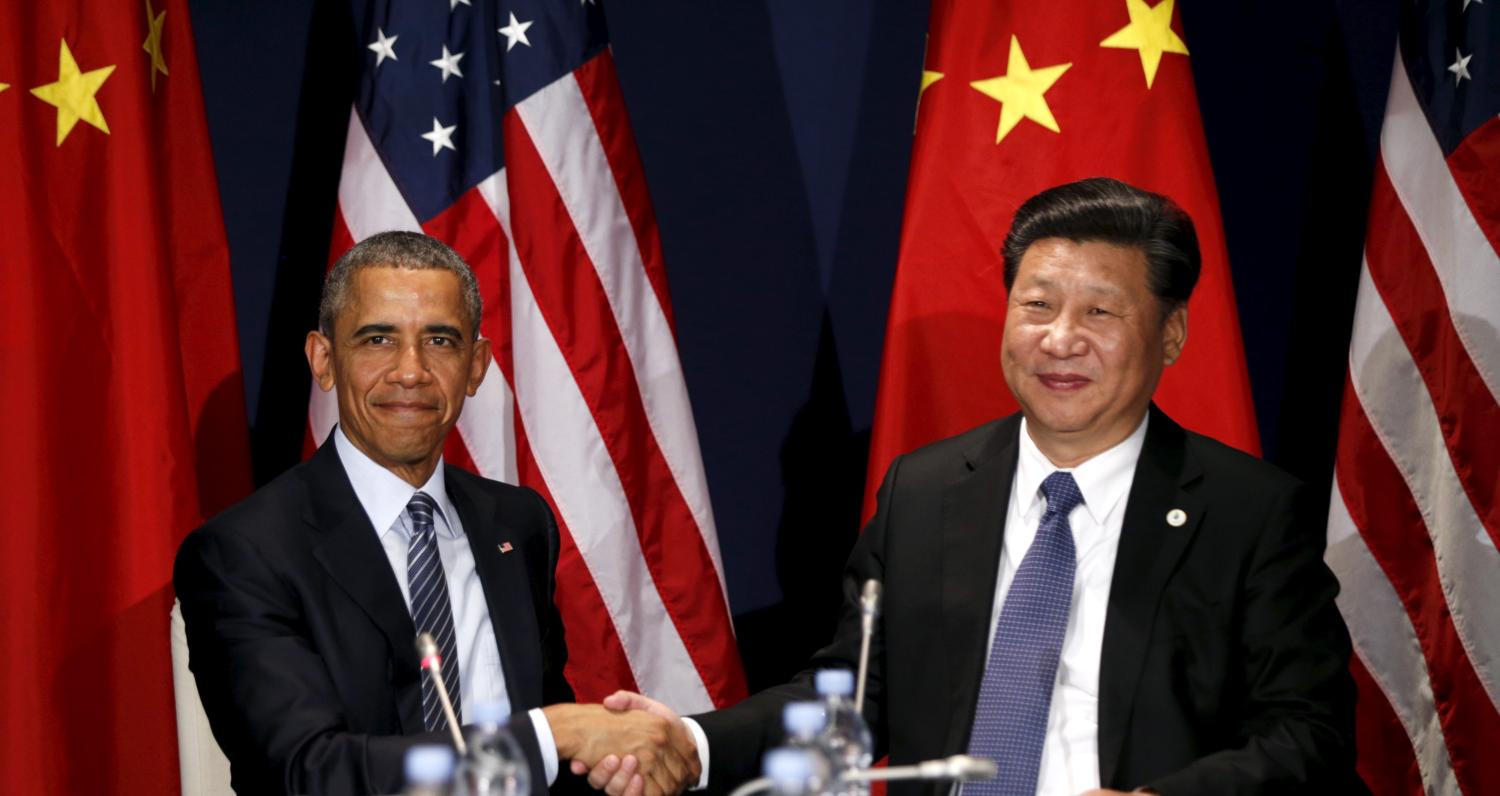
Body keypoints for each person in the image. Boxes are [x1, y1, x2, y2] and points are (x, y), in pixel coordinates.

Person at [583, 178, 1358, 795]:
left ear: (1172, 334)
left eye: (1101, 311)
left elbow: (1307, 732)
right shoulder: (926, 492)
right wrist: (690, 741)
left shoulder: (1248, 511)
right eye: (1037, 305)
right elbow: (855, 694)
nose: (1060, 339)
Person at [175, 231, 698, 795]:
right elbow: (309, 772)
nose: (411, 371)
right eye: (377, 339)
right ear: (323, 360)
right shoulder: (244, 552)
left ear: (476, 366)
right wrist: (552, 733)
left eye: (441, 341)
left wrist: (624, 765)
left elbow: (551, 761)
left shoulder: (518, 524)